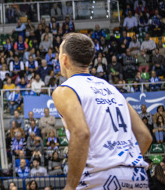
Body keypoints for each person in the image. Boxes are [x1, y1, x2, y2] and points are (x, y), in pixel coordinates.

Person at [52, 33, 152, 189]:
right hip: (136, 175)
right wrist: (122, 164)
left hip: (99, 177)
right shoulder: (112, 89)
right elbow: (145, 136)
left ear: (64, 59)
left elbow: (81, 133)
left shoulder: (65, 90)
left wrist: (70, 186)